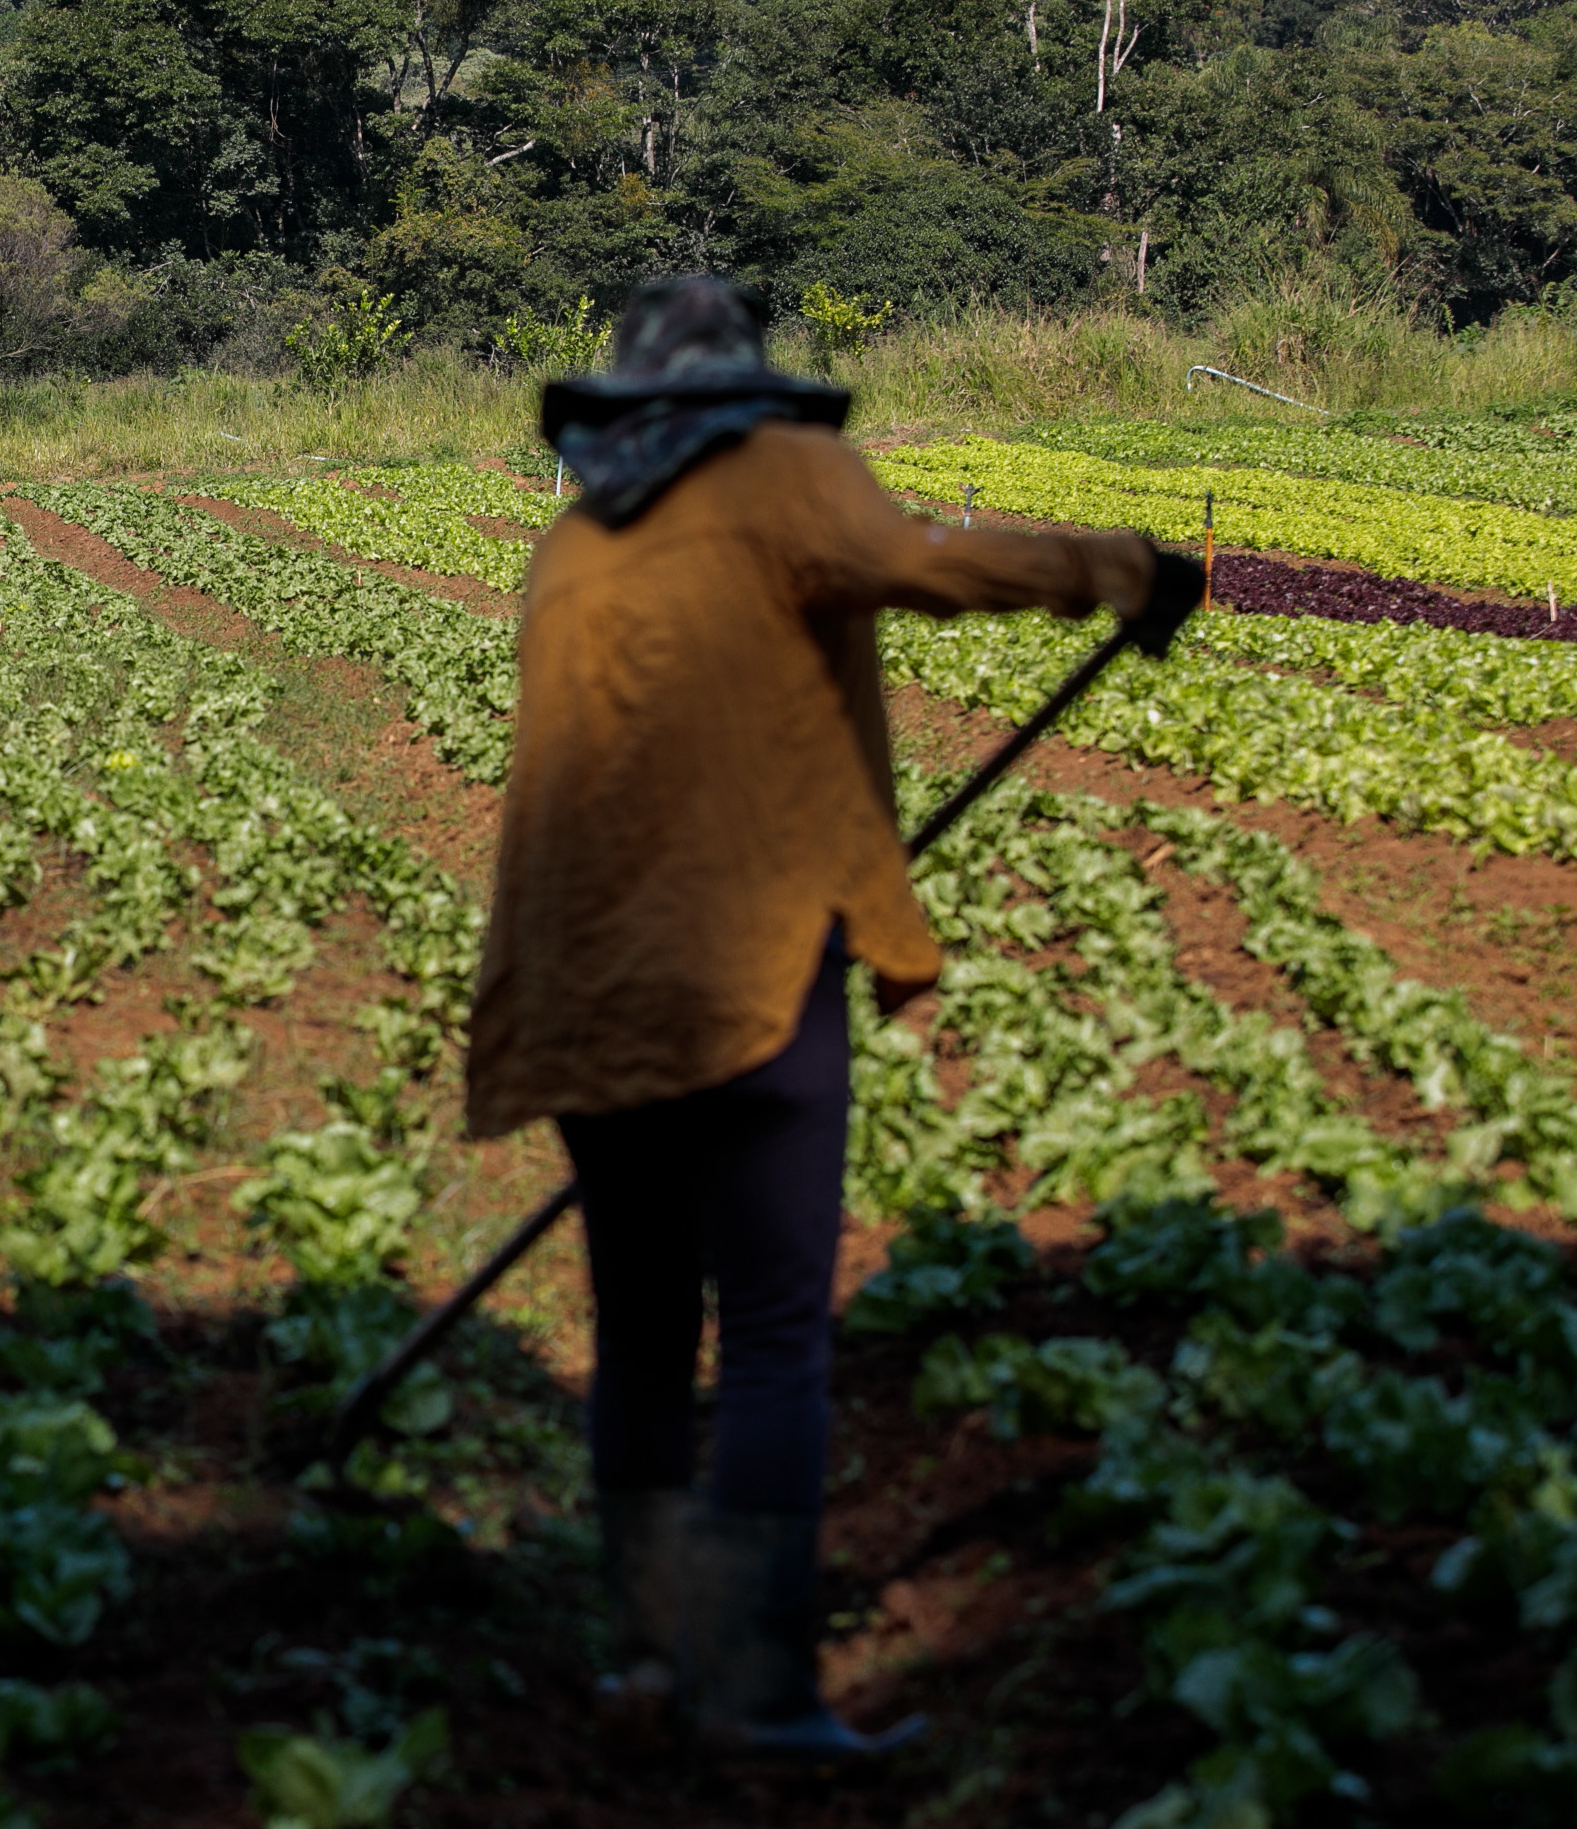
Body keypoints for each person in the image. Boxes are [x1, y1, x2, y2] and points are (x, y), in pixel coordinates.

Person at [467, 275, 1195, 1762]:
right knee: (783, 1326)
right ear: (745, 388)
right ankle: (761, 1690)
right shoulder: (787, 474)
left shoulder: (572, 540)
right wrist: (1125, 565)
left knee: (646, 1329)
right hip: (747, 962)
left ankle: (648, 1662)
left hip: (586, 983)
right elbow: (925, 563)